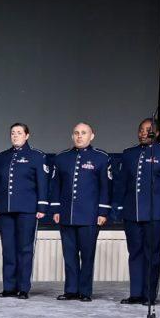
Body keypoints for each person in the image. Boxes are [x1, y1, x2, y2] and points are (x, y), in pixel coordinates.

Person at [112, 118, 160, 306]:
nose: (143, 133)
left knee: (153, 254)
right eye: (140, 129)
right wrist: (119, 209)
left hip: (156, 213)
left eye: (148, 130)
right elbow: (121, 185)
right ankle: (136, 293)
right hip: (132, 212)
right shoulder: (129, 154)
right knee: (134, 253)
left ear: (157, 133)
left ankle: (149, 295)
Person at [49, 123, 111, 302]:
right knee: (69, 255)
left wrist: (103, 212)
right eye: (76, 133)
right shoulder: (62, 158)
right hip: (67, 214)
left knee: (87, 255)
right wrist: (56, 209)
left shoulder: (101, 158)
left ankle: (85, 291)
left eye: (84, 133)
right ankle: (71, 290)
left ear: (92, 136)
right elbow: (56, 187)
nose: (79, 136)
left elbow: (105, 188)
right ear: (72, 136)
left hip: (89, 216)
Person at [0, 123, 48, 299]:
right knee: (8, 249)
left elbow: (42, 183)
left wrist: (42, 207)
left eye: (19, 133)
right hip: (5, 208)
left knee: (25, 249)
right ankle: (9, 287)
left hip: (27, 209)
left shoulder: (36, 156)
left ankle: (23, 288)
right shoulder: (1, 157)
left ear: (27, 135)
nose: (15, 136)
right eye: (13, 133)